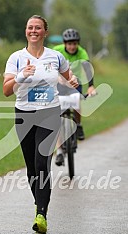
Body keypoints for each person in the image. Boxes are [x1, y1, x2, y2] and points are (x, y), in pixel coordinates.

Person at [3, 15, 78, 234]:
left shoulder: (55, 57)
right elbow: (6, 91)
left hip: (49, 113)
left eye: (38, 28)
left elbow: (68, 75)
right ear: (26, 31)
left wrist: (72, 80)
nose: (33, 31)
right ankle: (41, 205)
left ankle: (41, 214)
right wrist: (20, 76)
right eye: (30, 27)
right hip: (24, 115)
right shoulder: (16, 58)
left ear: (45, 32)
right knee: (32, 168)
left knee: (42, 162)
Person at [53, 28, 96, 166]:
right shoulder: (57, 50)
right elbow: (48, 66)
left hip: (74, 83)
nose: (72, 47)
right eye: (69, 44)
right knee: (58, 118)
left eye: (74, 44)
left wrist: (91, 86)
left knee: (77, 100)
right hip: (59, 83)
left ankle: (78, 125)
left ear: (78, 44)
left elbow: (88, 69)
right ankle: (59, 151)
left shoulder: (82, 52)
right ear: (64, 44)